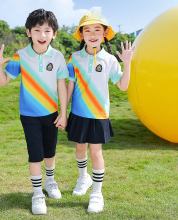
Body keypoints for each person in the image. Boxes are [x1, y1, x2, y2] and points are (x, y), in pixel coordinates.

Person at [0, 9, 68, 215]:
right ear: (28, 32)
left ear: (54, 34)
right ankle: (37, 194)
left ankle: (50, 182)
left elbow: (62, 86)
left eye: (47, 30)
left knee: (50, 152)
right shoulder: (20, 56)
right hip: (29, 115)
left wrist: (63, 113)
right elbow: (3, 81)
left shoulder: (58, 57)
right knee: (35, 155)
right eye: (37, 30)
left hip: (51, 113)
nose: (42, 35)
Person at [66, 12, 135, 213]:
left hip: (98, 114)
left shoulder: (110, 59)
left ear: (105, 33)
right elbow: (70, 85)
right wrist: (64, 112)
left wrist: (127, 62)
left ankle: (97, 193)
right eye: (87, 30)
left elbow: (122, 86)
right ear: (82, 35)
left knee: (95, 152)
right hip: (78, 113)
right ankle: (83, 178)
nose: (92, 33)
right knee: (79, 148)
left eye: (97, 29)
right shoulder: (75, 58)